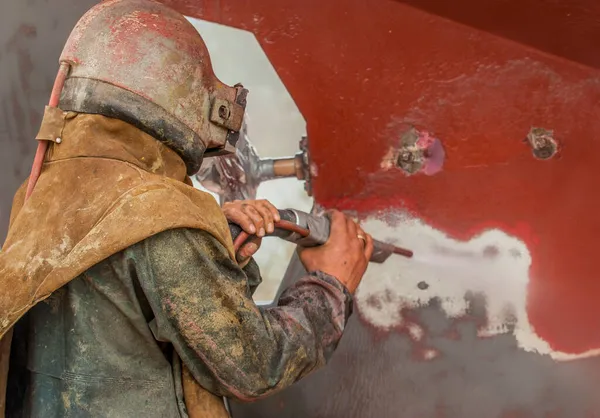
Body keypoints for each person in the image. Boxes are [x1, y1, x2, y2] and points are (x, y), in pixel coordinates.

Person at [0, 1, 373, 417]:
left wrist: (211, 240)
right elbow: (254, 365)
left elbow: (119, 318)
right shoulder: (160, 217)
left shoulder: (42, 196)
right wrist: (330, 285)